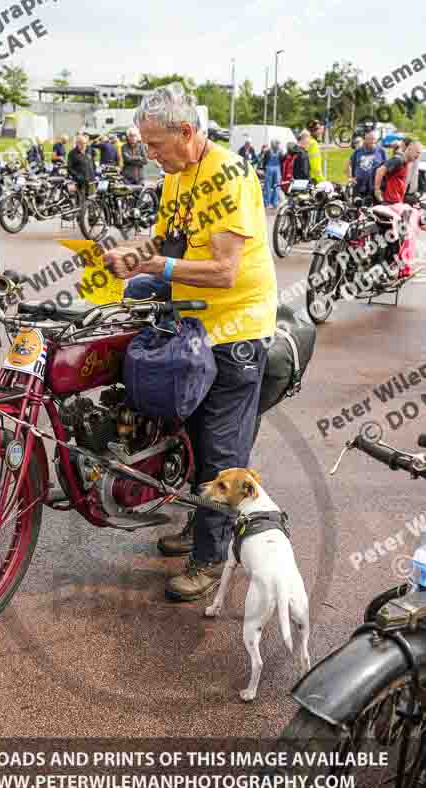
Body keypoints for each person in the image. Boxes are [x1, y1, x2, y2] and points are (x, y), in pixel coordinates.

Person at [104, 82, 277, 602]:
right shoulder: (176, 177)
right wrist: (132, 254)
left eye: (156, 145)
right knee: (191, 434)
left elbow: (224, 271)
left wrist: (155, 265)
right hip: (193, 326)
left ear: (186, 131)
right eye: (145, 146)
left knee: (221, 451)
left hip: (236, 331)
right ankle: (201, 524)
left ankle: (209, 558)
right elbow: (166, 240)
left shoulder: (229, 174)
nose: (150, 155)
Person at [374, 140, 422, 204]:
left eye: (420, 153)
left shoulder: (406, 163)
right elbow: (380, 170)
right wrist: (377, 191)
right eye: (417, 152)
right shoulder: (399, 160)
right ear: (409, 149)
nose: (418, 155)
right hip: (388, 202)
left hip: (396, 201)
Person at [347, 130, 386, 202]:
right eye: (368, 140)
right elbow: (349, 164)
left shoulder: (381, 151)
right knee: (357, 206)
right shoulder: (358, 151)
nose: (371, 142)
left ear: (375, 140)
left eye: (373, 140)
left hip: (374, 187)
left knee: (374, 207)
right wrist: (350, 177)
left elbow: (386, 167)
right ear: (364, 140)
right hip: (358, 187)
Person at [262, 139, 282, 209]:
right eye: (277, 144)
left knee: (273, 186)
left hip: (272, 168)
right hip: (274, 168)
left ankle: (271, 203)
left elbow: (264, 161)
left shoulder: (271, 151)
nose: (278, 145)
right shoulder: (277, 151)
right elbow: (265, 161)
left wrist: (264, 169)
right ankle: (270, 203)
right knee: (271, 186)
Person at [306, 119, 325, 184]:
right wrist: (323, 182)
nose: (321, 132)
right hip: (314, 179)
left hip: (306, 178)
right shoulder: (313, 144)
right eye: (321, 130)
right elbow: (316, 168)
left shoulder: (307, 141)